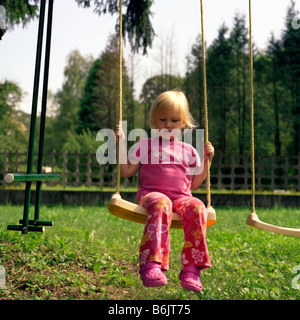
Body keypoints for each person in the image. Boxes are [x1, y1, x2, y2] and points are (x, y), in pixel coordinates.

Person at [115, 90, 214, 292]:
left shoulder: (189, 151)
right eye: (163, 119)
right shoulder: (145, 145)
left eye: (174, 120)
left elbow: (194, 184)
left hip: (182, 198)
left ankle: (191, 269)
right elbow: (126, 171)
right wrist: (121, 143)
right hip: (152, 195)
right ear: (154, 121)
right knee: (162, 203)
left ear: (183, 123)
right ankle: (152, 264)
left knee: (197, 206)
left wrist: (207, 162)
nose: (168, 124)